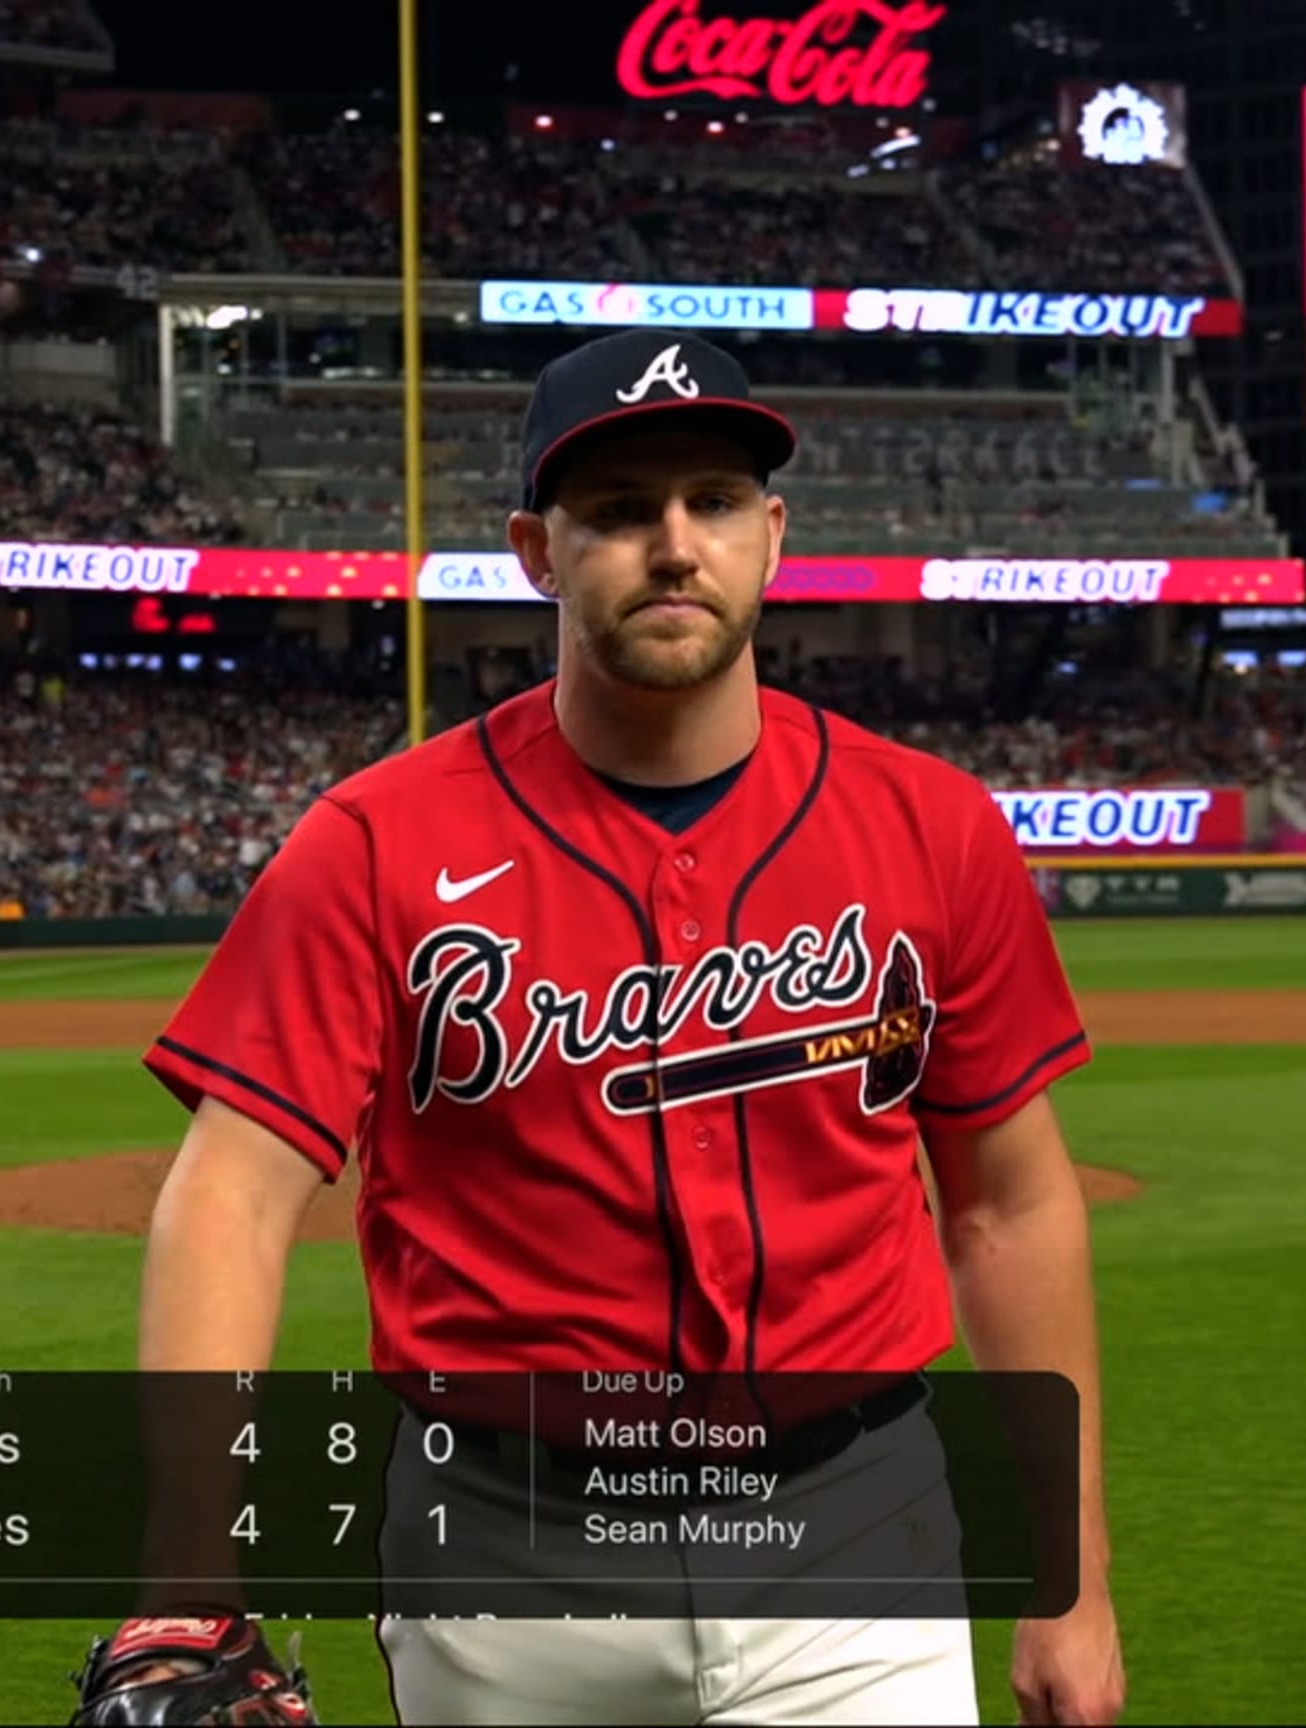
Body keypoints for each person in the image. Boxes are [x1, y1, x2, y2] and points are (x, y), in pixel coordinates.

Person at [86, 330, 1122, 1727]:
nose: (675, 545)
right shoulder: (375, 847)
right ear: (537, 548)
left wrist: (1070, 1577)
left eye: (712, 501)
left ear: (774, 534)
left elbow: (1012, 1207)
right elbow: (229, 1196)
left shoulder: (931, 828)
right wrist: (187, 1564)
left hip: (855, 1541)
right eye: (623, 511)